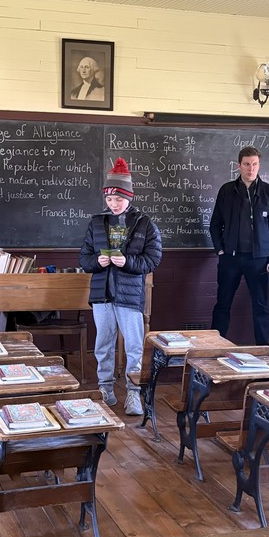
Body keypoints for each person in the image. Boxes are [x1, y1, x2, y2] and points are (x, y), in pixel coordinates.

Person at [79, 157, 162, 415]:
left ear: (129, 197)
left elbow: (153, 259)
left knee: (135, 346)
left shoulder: (145, 224)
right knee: (103, 343)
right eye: (110, 199)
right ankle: (105, 388)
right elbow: (84, 258)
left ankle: (134, 394)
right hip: (102, 295)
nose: (113, 204)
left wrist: (127, 261)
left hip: (130, 295)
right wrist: (97, 261)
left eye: (119, 199)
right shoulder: (96, 223)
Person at [209, 147, 269, 345]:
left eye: (255, 164)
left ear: (259, 165)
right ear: (238, 166)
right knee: (222, 304)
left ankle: (263, 350)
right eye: (247, 164)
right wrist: (220, 250)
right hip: (230, 259)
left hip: (259, 261)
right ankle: (214, 347)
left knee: (261, 306)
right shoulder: (227, 190)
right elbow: (215, 224)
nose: (251, 168)